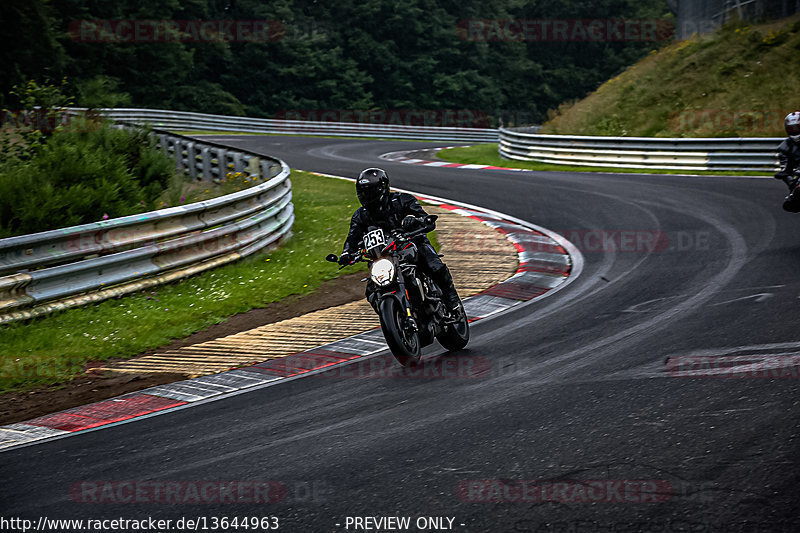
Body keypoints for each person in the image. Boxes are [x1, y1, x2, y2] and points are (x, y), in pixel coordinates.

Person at [339, 167, 461, 315]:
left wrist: (415, 220)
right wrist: (347, 253)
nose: (366, 195)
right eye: (363, 191)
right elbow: (353, 237)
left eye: (370, 191)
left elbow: (422, 217)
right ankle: (394, 316)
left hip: (412, 243)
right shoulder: (360, 215)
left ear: (382, 188)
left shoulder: (402, 200)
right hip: (383, 255)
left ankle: (452, 301)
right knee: (371, 290)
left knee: (435, 266)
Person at [775, 112, 800, 210]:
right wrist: (786, 174)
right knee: (789, 205)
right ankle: (795, 196)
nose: (795, 131)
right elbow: (784, 169)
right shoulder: (785, 147)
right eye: (792, 129)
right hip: (797, 174)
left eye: (797, 127)